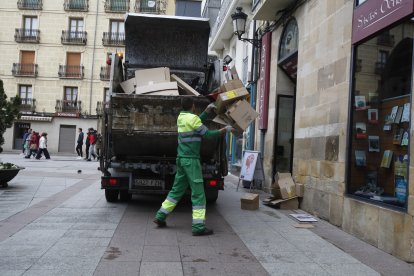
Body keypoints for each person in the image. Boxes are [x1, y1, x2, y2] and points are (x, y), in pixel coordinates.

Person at [153, 98, 233, 236]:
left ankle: (160, 216)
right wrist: (224, 130)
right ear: (194, 106)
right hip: (191, 161)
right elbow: (207, 135)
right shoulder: (193, 119)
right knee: (198, 194)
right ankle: (198, 227)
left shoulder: (181, 118)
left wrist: (206, 112)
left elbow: (195, 122)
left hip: (182, 160)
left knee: (176, 191)